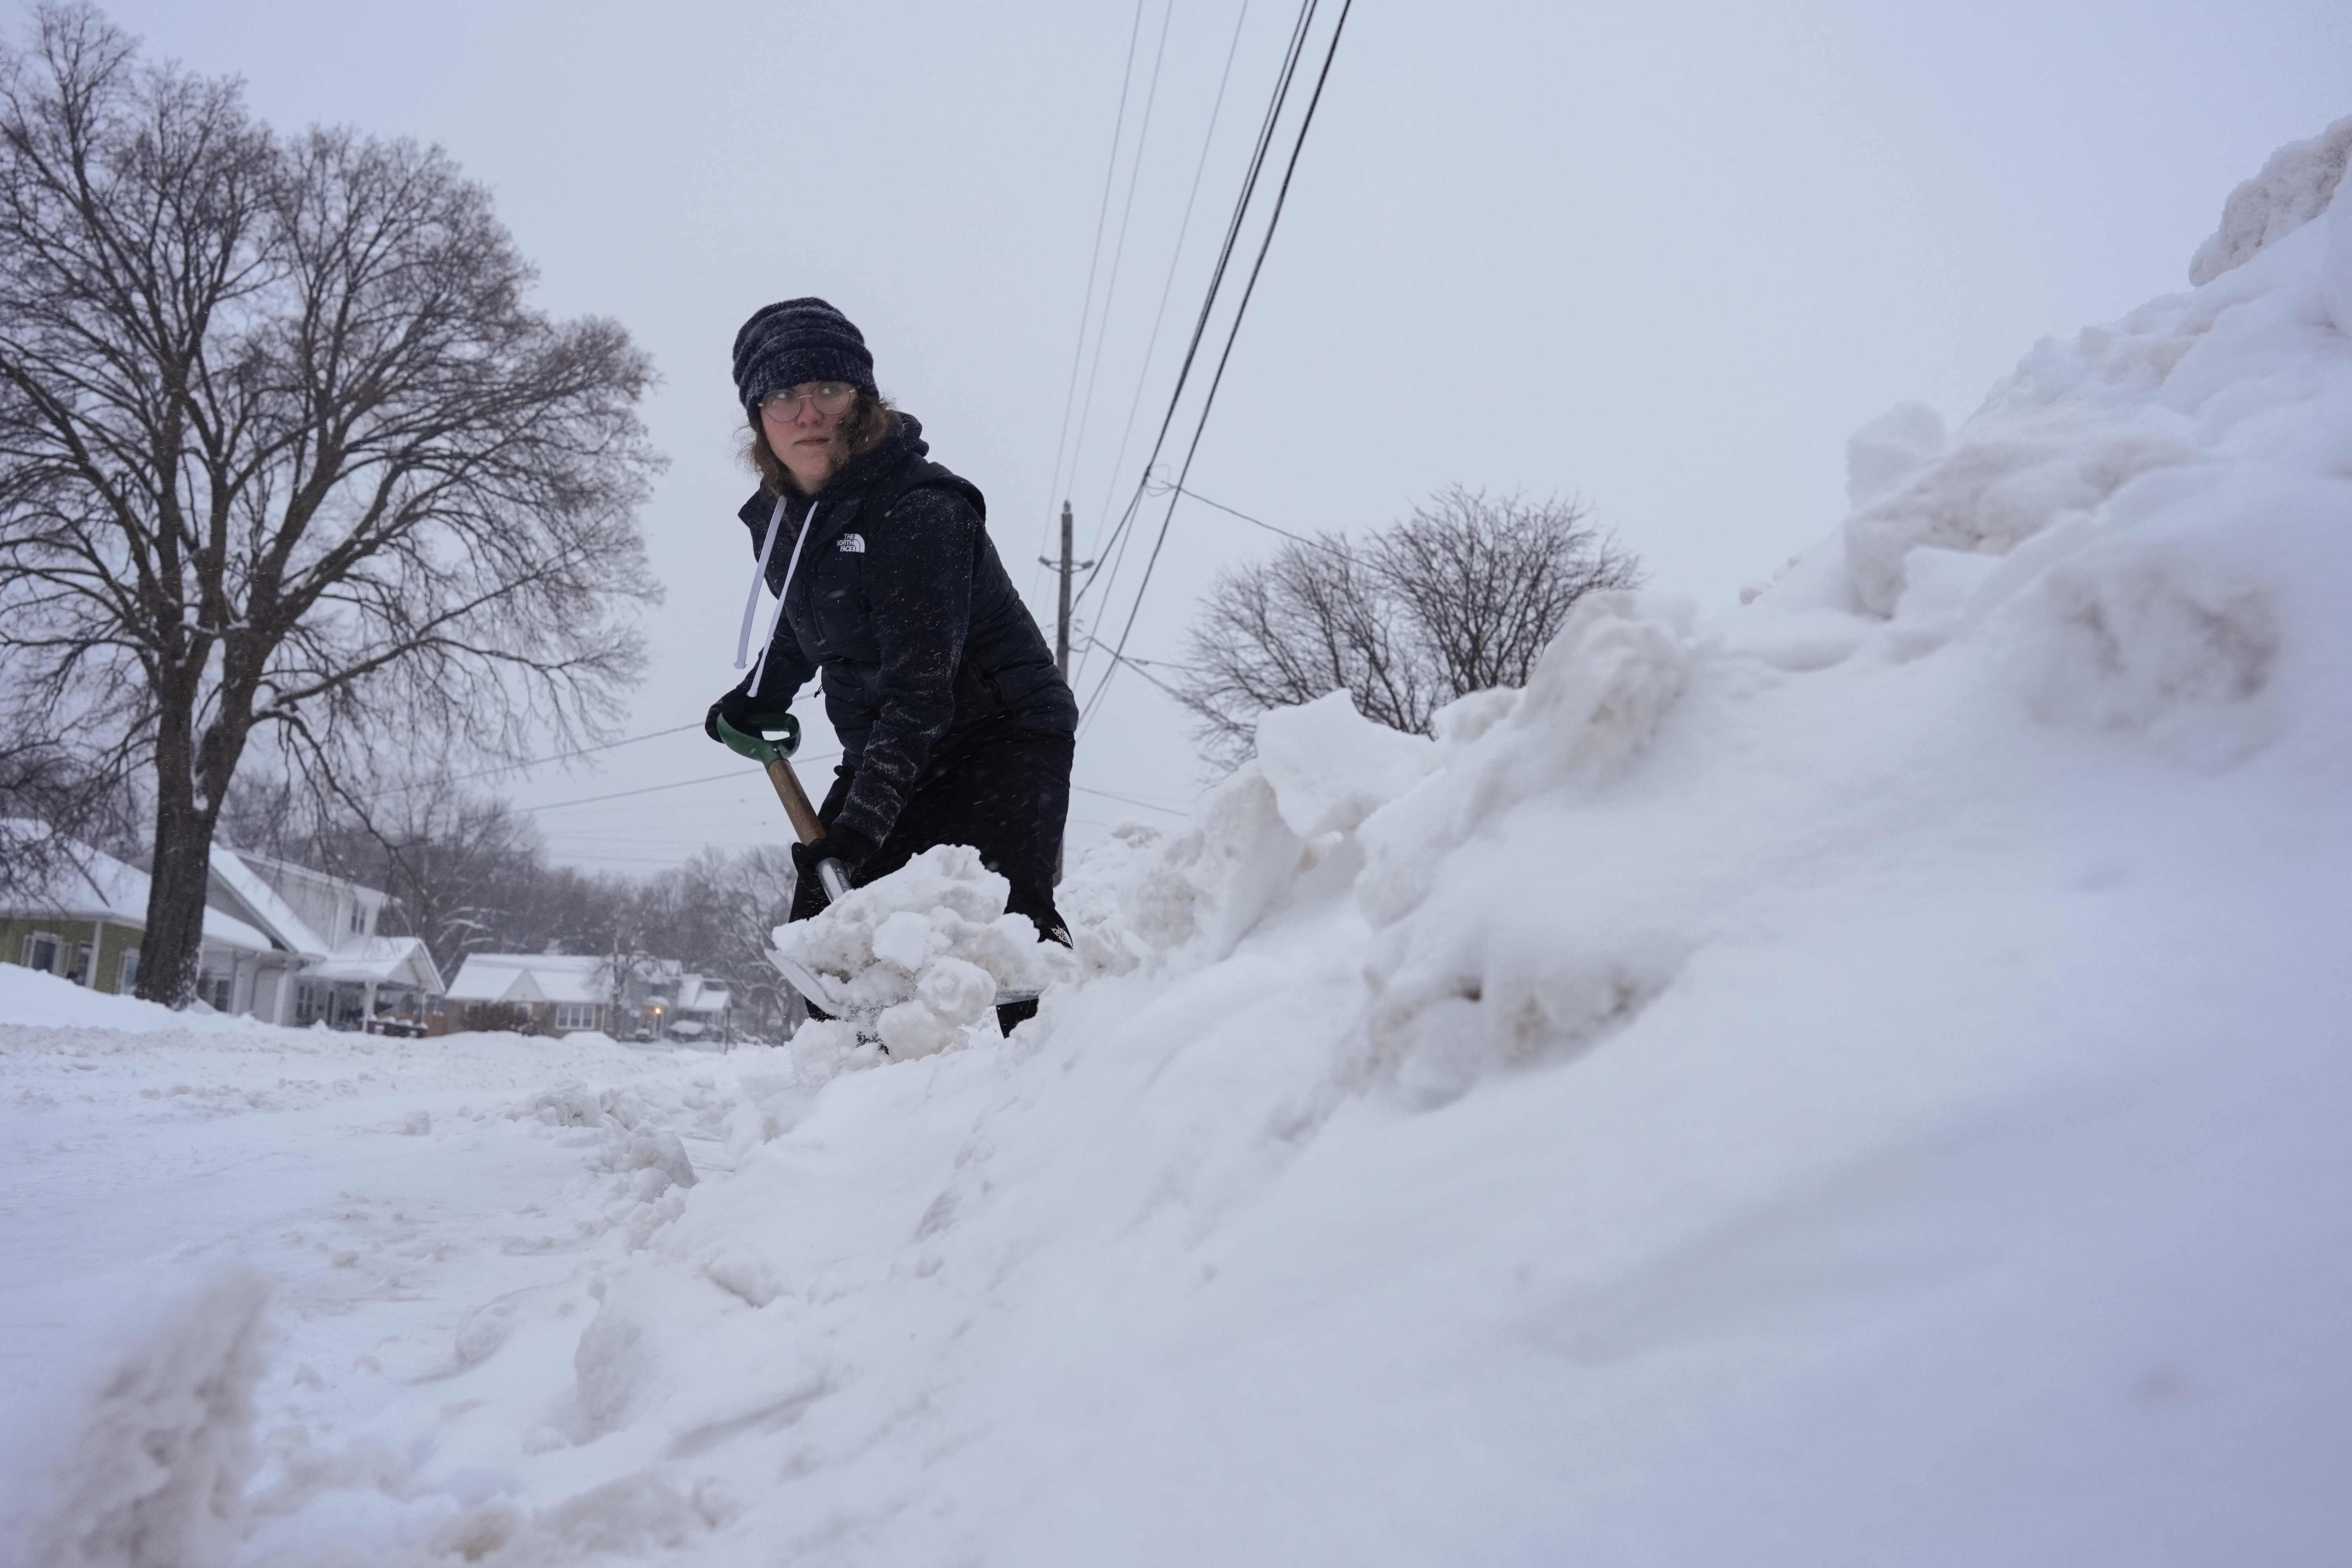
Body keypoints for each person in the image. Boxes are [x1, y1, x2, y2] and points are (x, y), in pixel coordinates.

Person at [705, 297, 1077, 1032]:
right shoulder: (783, 518)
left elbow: (919, 690)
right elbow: (805, 622)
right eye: (783, 394)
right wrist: (761, 693)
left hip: (1002, 732)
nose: (807, 412)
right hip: (894, 740)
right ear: (758, 417)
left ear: (863, 401)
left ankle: (1059, 1081)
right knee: (827, 933)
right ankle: (867, 1104)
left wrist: (862, 828)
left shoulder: (920, 511)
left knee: (1009, 928)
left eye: (829, 390)